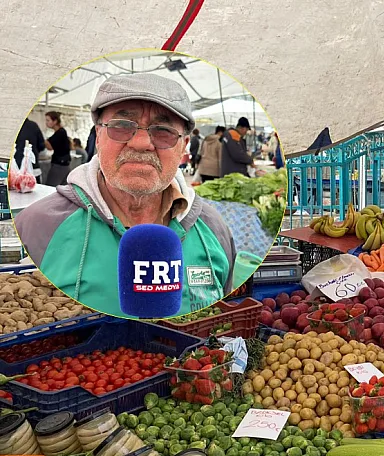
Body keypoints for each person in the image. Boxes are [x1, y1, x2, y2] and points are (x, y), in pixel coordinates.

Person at [14, 73, 236, 318]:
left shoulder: (213, 229)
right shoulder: (36, 228)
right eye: (121, 126)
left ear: (183, 146)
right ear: (98, 136)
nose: (141, 143)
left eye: (163, 131)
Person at [43, 111, 72, 186]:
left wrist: (41, 137)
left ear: (55, 121)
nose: (46, 123)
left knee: (49, 187)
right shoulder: (60, 132)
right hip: (63, 164)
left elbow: (50, 147)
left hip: (60, 165)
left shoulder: (60, 133)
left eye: (48, 120)